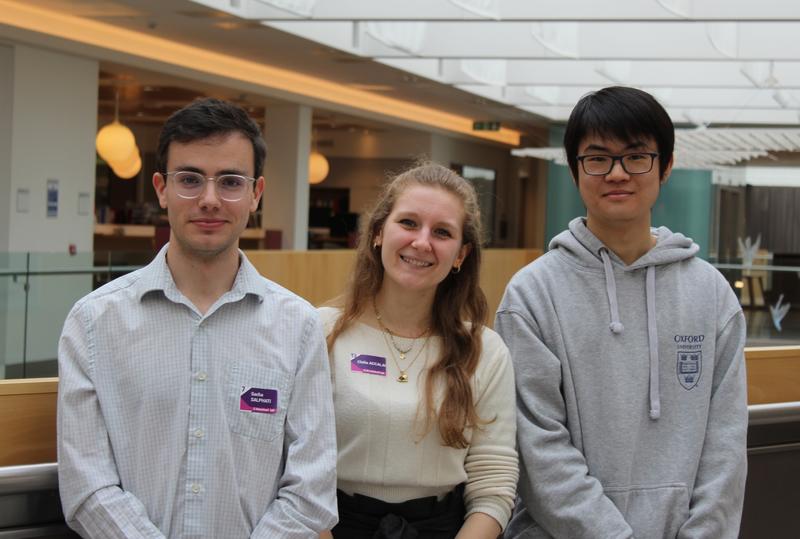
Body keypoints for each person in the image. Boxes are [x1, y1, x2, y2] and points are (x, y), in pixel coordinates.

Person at [57, 98, 338, 538]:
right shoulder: (94, 322)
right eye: (189, 179)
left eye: (230, 181)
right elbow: (87, 486)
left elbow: (312, 492)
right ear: (161, 188)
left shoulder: (298, 327)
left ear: (255, 194)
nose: (209, 199)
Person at [496, 86, 748, 538]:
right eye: (597, 158)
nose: (617, 173)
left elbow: (725, 444)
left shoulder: (711, 294)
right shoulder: (532, 294)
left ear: (665, 166)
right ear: (575, 170)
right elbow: (539, 449)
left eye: (636, 156)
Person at [319, 163, 518, 539]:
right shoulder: (319, 332)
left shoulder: (484, 350)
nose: (422, 242)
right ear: (378, 233)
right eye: (408, 223)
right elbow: (294, 469)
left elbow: (494, 484)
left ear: (461, 254)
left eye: (442, 232)